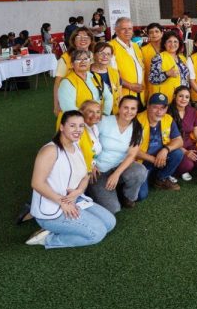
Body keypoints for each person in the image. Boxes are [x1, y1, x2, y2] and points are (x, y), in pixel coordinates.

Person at [25, 111, 116, 248]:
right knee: (97, 233)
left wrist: (79, 191)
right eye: (72, 126)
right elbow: (37, 183)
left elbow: (86, 175)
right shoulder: (50, 150)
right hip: (54, 208)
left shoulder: (76, 146)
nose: (78, 130)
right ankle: (48, 238)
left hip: (75, 199)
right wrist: (63, 202)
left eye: (80, 126)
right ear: (62, 127)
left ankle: (67, 226)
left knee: (110, 223)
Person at [87, 96, 148, 213]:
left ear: (136, 111)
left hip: (120, 166)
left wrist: (116, 174)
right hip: (99, 169)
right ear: (119, 108)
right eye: (125, 107)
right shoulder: (104, 121)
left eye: (133, 108)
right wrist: (90, 163)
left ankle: (127, 197)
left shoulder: (138, 128)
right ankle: (94, 190)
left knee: (140, 171)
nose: (129, 112)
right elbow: (87, 141)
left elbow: (131, 155)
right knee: (113, 209)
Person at [135, 93, 185, 198]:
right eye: (155, 107)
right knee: (141, 195)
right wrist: (153, 159)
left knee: (177, 153)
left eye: (163, 108)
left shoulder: (168, 119)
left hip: (161, 157)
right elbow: (132, 151)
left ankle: (160, 178)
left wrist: (166, 150)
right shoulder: (137, 120)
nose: (159, 112)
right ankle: (149, 176)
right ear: (148, 106)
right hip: (142, 161)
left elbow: (179, 141)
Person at [57, 49, 113, 122]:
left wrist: (105, 114)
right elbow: (69, 108)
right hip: (77, 124)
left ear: (90, 62)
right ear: (72, 64)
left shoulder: (95, 76)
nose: (83, 62)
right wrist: (89, 120)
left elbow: (108, 96)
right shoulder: (67, 83)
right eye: (78, 59)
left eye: (86, 59)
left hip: (97, 121)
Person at [168, 86, 197, 181]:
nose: (184, 99)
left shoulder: (191, 111)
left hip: (188, 144)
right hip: (174, 147)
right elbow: (166, 137)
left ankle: (185, 167)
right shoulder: (168, 112)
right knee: (188, 164)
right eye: (181, 96)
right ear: (175, 96)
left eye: (187, 97)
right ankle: (171, 172)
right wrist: (185, 152)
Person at [53, 27, 95, 115]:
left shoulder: (94, 56)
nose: (83, 39)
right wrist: (56, 105)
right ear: (73, 40)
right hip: (72, 101)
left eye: (86, 36)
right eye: (79, 37)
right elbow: (57, 83)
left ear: (91, 40)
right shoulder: (66, 58)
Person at [110, 17, 145, 106]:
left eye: (129, 29)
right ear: (116, 30)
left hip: (140, 94)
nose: (127, 31)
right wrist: (130, 85)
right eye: (123, 29)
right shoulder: (110, 47)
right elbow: (111, 74)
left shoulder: (135, 46)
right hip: (123, 96)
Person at [148, 32, 189, 100]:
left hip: (181, 99)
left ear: (179, 44)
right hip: (164, 99)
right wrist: (167, 74)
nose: (172, 44)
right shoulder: (158, 58)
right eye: (169, 41)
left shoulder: (182, 58)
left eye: (175, 41)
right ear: (164, 44)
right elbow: (152, 79)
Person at [90, 42, 121, 113]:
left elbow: (119, 94)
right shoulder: (86, 73)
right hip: (94, 114)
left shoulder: (115, 72)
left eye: (108, 54)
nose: (105, 56)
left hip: (113, 113)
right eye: (101, 53)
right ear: (94, 55)